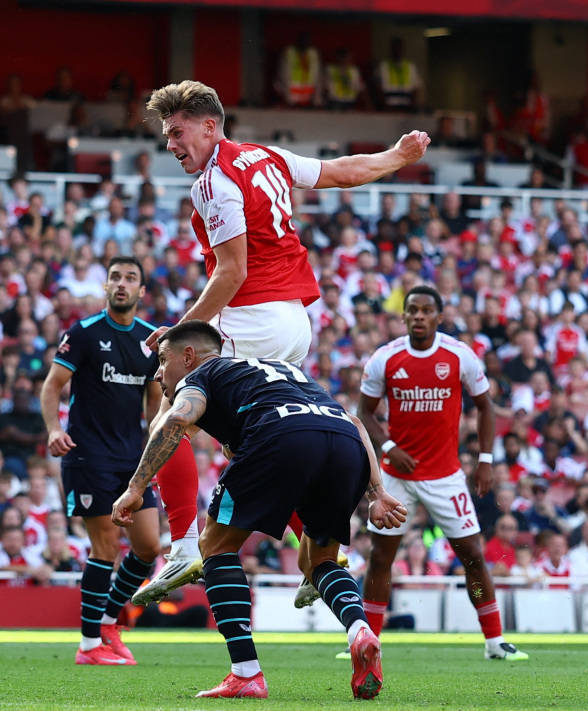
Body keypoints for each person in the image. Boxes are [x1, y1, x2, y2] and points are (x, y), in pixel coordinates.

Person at [137, 79, 429, 604]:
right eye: (167, 134)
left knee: (169, 407)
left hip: (251, 318)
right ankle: (320, 550)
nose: (170, 143)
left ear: (209, 126)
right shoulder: (264, 156)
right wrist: (397, 156)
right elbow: (342, 173)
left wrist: (181, 330)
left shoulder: (214, 181)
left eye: (177, 132)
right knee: (253, 436)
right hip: (294, 320)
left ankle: (181, 547)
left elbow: (231, 273)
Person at [111, 321, 406, 700]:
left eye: (163, 361)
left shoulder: (201, 375)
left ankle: (246, 673)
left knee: (215, 546)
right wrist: (377, 492)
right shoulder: (281, 370)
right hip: (344, 443)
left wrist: (135, 487)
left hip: (281, 434)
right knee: (319, 561)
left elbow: (177, 419)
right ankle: (359, 630)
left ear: (188, 356)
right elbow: (354, 422)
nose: (157, 374)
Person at [355, 286, 527, 661]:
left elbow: (485, 407)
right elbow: (364, 412)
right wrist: (389, 448)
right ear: (403, 316)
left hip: (446, 476)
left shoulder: (459, 355)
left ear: (439, 317)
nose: (419, 316)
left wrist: (485, 460)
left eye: (426, 310)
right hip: (396, 476)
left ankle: (495, 641)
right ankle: (368, 643)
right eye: (412, 310)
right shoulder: (385, 358)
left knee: (473, 557)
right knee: (381, 558)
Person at [40, 256, 163, 666]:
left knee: (147, 547)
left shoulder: (149, 340)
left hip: (132, 461)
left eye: (130, 278)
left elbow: (154, 404)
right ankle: (89, 645)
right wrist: (54, 430)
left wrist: (157, 449)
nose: (122, 284)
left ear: (141, 291)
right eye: (115, 277)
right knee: (106, 545)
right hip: (88, 455)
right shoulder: (85, 332)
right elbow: (52, 386)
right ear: (106, 286)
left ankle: (109, 622)